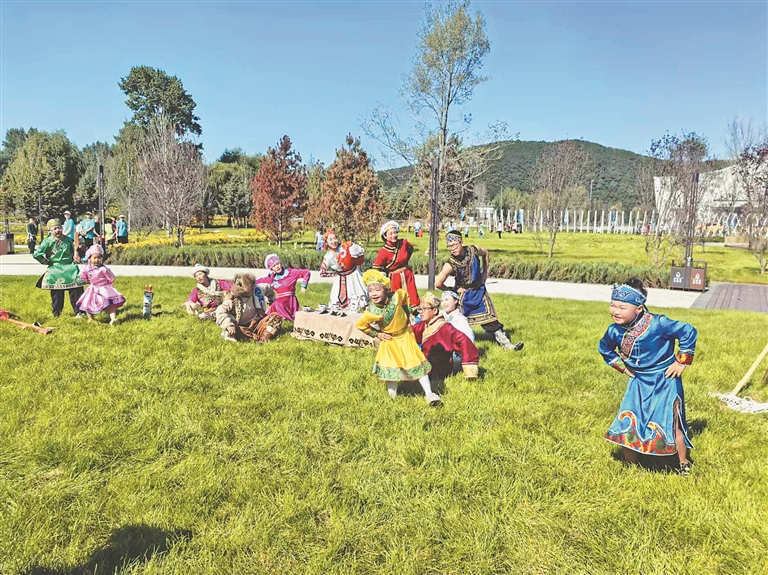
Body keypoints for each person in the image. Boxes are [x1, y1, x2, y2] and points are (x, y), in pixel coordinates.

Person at [598, 278, 697, 476]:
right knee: (630, 418)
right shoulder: (614, 331)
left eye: (622, 307)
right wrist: (623, 368)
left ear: (639, 308)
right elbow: (605, 349)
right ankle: (629, 465)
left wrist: (681, 361)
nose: (615, 311)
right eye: (612, 305)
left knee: (672, 421)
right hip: (638, 381)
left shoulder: (658, 323)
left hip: (665, 379)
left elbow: (688, 331)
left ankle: (683, 462)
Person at [356, 270, 440, 405]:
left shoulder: (396, 296)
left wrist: (408, 313)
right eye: (370, 291)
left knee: (416, 362)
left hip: (405, 337)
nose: (374, 294)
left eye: (377, 290)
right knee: (391, 370)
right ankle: (392, 399)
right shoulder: (371, 311)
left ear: (386, 289)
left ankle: (429, 393)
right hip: (390, 342)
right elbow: (361, 325)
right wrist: (377, 334)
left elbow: (405, 295)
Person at [435, 230, 523, 351]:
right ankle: (448, 345)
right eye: (449, 246)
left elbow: (485, 253)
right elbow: (438, 283)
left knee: (491, 320)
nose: (452, 248)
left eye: (455, 245)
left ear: (461, 243)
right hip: (463, 296)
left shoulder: (473, 250)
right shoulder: (450, 264)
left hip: (479, 291)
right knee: (454, 321)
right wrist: (452, 291)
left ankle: (506, 344)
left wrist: (485, 272)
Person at [411, 292, 479, 380]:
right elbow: (411, 332)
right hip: (426, 366)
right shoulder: (424, 324)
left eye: (425, 309)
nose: (421, 312)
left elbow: (464, 340)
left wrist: (469, 368)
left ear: (435, 310)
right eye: (420, 309)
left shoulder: (445, 327)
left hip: (440, 371)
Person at [32, 219, 85, 318]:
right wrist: (46, 261)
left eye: (60, 228)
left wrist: (77, 254)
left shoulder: (68, 240)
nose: (58, 230)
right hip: (55, 268)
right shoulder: (47, 242)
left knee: (76, 290)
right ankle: (57, 313)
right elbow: (37, 254)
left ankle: (80, 311)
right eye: (55, 228)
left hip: (70, 267)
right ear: (50, 230)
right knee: (57, 293)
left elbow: (76, 249)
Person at [215, 273, 282, 342]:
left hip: (258, 323)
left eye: (251, 289)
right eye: (246, 292)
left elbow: (268, 289)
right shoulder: (233, 299)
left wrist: (271, 301)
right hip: (241, 327)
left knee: (275, 317)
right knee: (235, 332)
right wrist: (229, 325)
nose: (250, 292)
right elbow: (220, 310)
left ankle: (263, 339)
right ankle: (251, 337)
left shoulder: (258, 290)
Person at [372, 220, 420, 307]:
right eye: (390, 234)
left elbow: (410, 250)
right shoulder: (383, 252)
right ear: (385, 236)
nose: (394, 235)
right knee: (397, 302)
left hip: (407, 275)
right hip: (395, 278)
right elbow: (376, 268)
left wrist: (405, 264)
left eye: (395, 233)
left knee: (412, 298)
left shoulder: (404, 243)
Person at [76, 244, 126, 324]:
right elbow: (83, 276)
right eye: (94, 258)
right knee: (88, 303)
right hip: (93, 288)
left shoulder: (103, 269)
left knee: (109, 304)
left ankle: (113, 319)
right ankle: (91, 319)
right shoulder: (87, 268)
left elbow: (111, 277)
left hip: (104, 288)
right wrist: (86, 281)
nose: (97, 260)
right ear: (90, 259)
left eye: (99, 258)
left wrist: (108, 284)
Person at [319, 229, 367, 311]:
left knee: (358, 297)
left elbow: (360, 255)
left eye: (335, 238)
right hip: (340, 279)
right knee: (336, 302)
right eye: (330, 240)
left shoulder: (346, 247)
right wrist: (335, 274)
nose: (333, 241)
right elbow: (322, 273)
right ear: (326, 243)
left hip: (353, 276)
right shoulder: (328, 257)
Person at [254, 254, 310, 321]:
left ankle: (284, 318)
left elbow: (306, 272)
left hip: (291, 302)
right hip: (280, 303)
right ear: (271, 269)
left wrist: (303, 286)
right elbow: (256, 281)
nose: (277, 267)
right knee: (276, 304)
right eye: (274, 266)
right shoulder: (271, 279)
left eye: (278, 264)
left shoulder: (291, 273)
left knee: (277, 304)